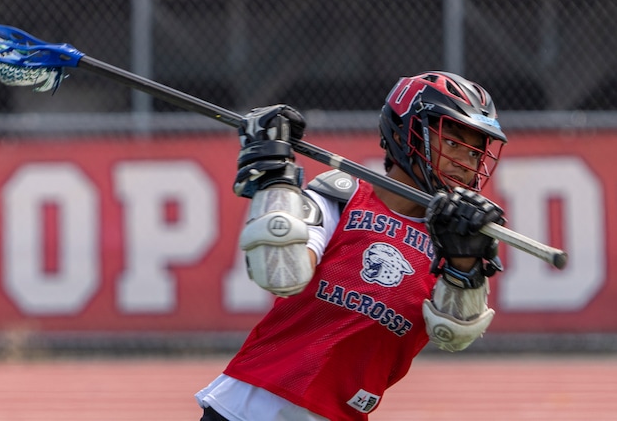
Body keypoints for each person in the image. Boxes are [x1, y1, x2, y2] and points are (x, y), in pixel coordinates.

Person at [196, 71, 508, 421]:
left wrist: (465, 263)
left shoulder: (455, 240)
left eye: (474, 151)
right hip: (249, 407)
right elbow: (279, 272)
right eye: (452, 143)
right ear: (407, 135)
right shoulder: (340, 199)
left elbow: (454, 334)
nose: (465, 164)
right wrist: (274, 176)